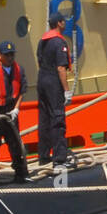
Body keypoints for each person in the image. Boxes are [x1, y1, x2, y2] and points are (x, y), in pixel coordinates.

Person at [0, 40, 30, 182]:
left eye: (11, 55)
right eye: (7, 55)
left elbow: (22, 91)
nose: (10, 58)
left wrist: (16, 109)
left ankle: (20, 171)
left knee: (15, 142)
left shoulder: (19, 70)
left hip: (11, 111)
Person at [36, 13, 73, 170]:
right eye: (63, 21)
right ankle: (59, 158)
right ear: (59, 23)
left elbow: (40, 60)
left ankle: (43, 156)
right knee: (57, 118)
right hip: (53, 82)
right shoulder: (59, 43)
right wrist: (66, 90)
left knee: (44, 119)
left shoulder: (42, 41)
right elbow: (60, 68)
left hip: (42, 78)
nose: (65, 24)